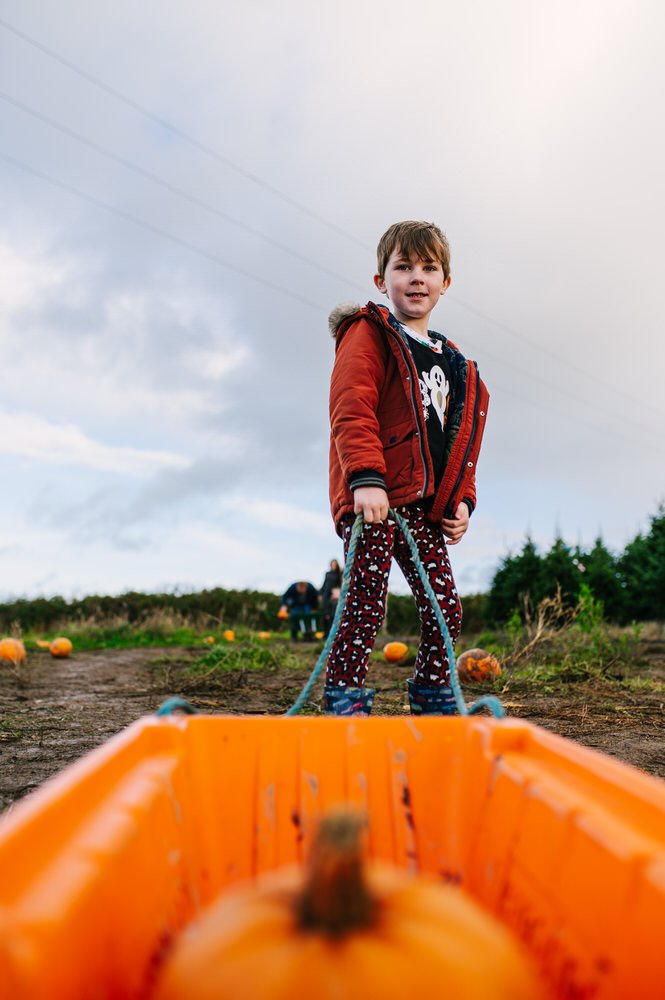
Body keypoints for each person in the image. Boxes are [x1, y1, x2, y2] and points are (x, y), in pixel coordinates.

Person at [325, 220, 489, 716]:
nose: (417, 277)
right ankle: (345, 700)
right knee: (365, 603)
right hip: (375, 500)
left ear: (445, 283)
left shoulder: (453, 363)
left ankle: (433, 697)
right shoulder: (369, 333)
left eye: (429, 268)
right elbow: (351, 405)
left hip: (424, 508)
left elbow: (460, 443)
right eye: (404, 267)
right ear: (382, 280)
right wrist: (366, 479)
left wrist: (463, 500)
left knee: (445, 607)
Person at [319, 559, 343, 636]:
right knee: (325, 614)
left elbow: (340, 584)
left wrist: (337, 592)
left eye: (335, 564)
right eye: (332, 564)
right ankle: (325, 633)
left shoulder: (339, 573)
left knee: (332, 614)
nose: (334, 565)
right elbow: (324, 583)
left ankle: (332, 633)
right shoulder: (327, 573)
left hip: (333, 595)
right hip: (326, 594)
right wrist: (320, 593)